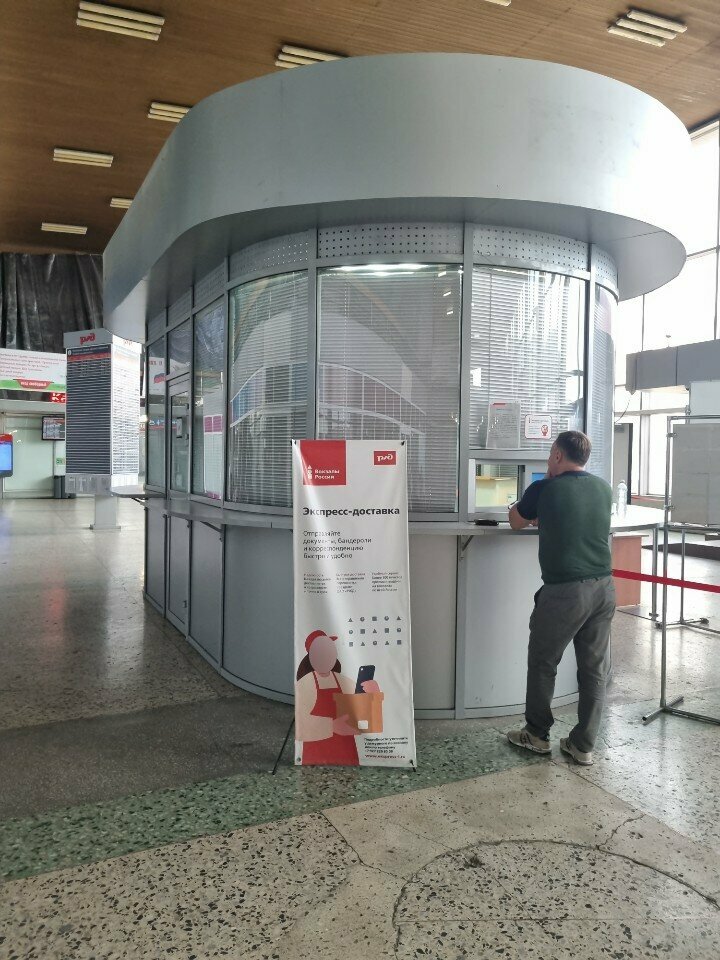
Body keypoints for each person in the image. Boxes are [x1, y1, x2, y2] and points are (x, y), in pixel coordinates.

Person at [506, 430, 615, 766]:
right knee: (594, 669)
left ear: (556, 454)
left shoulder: (544, 488)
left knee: (543, 663)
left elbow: (515, 521)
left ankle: (537, 735)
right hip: (604, 588)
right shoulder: (603, 488)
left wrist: (529, 508)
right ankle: (583, 745)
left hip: (565, 592)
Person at [295, 629, 379, 765]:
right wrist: (332, 726)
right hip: (317, 753)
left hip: (347, 751)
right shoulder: (305, 683)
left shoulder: (342, 680)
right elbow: (302, 723)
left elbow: (360, 711)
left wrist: (373, 695)